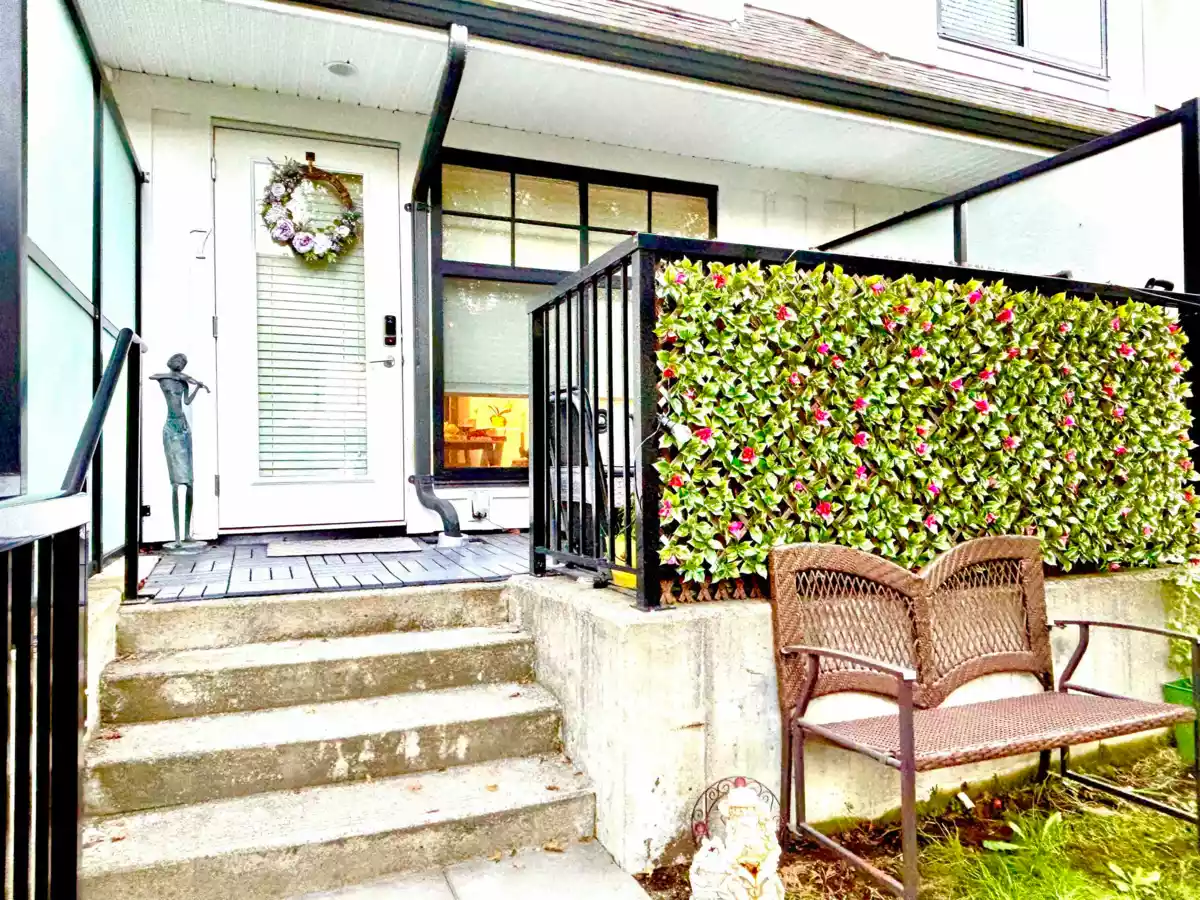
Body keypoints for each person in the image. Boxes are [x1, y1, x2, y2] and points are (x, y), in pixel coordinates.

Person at [150, 353, 209, 547]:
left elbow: (187, 402)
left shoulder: (184, 383)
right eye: (178, 361)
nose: (181, 364)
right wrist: (179, 376)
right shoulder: (164, 380)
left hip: (183, 427)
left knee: (189, 482)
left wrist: (196, 386)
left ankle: (187, 534)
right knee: (176, 483)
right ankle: (177, 537)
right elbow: (153, 376)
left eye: (183, 363)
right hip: (171, 428)